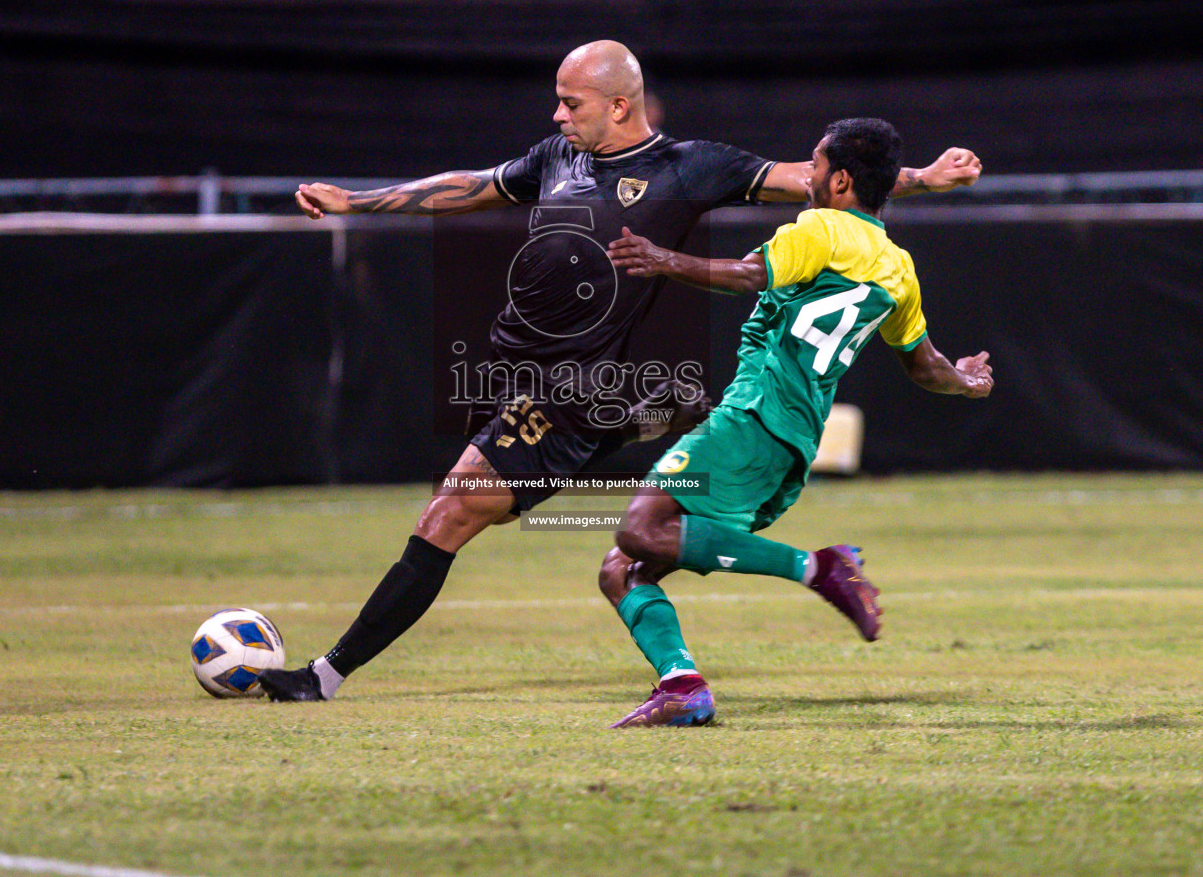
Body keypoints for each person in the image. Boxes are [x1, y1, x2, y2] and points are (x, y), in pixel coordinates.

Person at [259, 43, 982, 703]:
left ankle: (323, 678)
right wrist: (358, 201)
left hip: (563, 396)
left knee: (446, 518)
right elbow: (475, 184)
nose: (557, 114)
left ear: (619, 105)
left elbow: (817, 183)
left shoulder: (689, 166)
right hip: (547, 382)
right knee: (616, 560)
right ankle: (667, 419)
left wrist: (920, 179)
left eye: (571, 103)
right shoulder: (556, 158)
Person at [598, 117, 994, 728]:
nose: (804, 177)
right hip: (790, 446)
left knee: (639, 531)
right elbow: (925, 366)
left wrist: (661, 258)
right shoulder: (897, 266)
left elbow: (750, 274)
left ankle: (819, 568)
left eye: (812, 164)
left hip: (753, 420)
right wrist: (967, 380)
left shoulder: (819, 229)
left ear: (838, 180)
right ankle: (683, 686)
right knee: (622, 571)